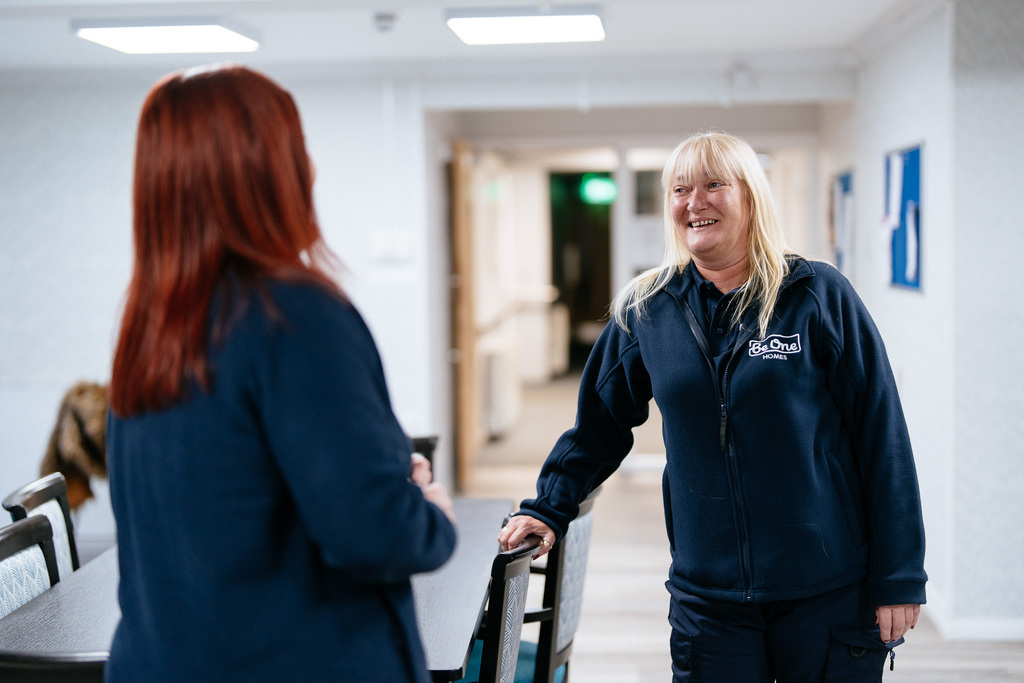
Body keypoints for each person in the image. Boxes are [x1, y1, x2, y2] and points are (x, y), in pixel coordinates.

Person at [499, 131, 927, 681]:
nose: (693, 202)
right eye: (679, 189)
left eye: (713, 185)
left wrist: (899, 577)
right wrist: (548, 505)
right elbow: (597, 427)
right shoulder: (647, 311)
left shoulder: (816, 295)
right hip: (710, 597)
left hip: (826, 589)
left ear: (750, 197)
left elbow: (881, 435)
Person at [106, 64, 456, 682]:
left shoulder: (148, 331)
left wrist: (371, 471)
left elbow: (227, 497)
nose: (312, 169)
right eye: (298, 150)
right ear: (271, 172)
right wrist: (426, 507)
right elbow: (377, 534)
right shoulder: (294, 313)